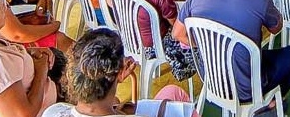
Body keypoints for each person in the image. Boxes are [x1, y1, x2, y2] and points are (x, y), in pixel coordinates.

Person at [42, 28, 195, 117]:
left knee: (171, 91)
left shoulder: (53, 112)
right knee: (180, 105)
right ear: (118, 72)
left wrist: (118, 109)